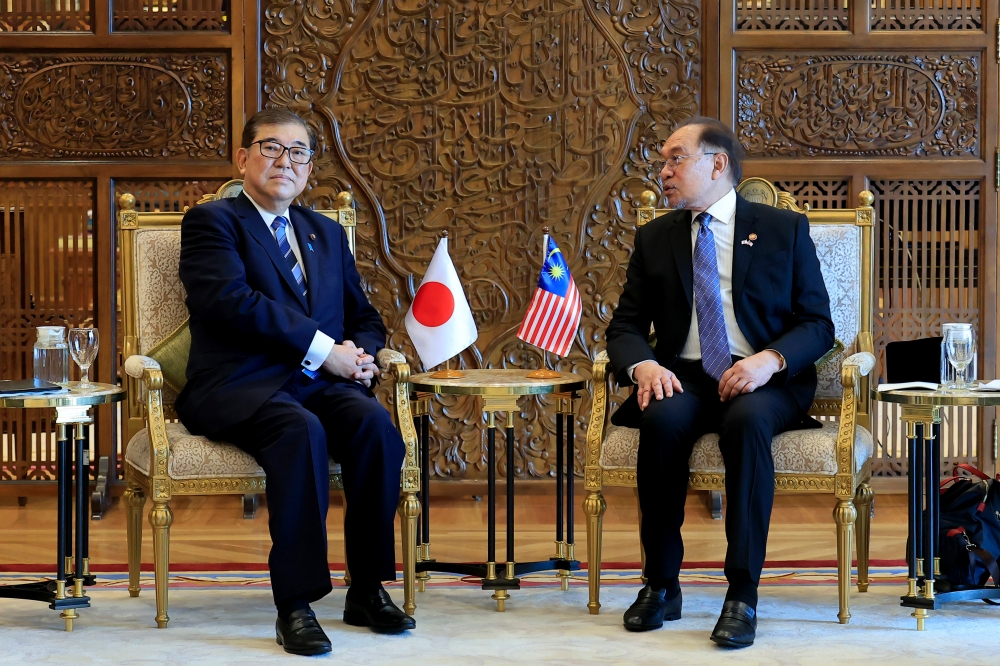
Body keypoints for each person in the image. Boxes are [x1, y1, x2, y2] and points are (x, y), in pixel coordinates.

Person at [176, 108, 414, 656]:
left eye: (299, 151)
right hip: (240, 383)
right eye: (270, 148)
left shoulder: (326, 233)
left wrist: (360, 355)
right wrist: (323, 350)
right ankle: (296, 604)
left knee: (375, 427)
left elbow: (365, 316)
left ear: (310, 166)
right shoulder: (213, 222)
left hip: (318, 383)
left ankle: (369, 588)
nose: (286, 161)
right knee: (298, 431)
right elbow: (231, 302)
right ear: (242, 158)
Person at [605, 116, 834, 648]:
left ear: (717, 164)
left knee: (748, 423)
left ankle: (742, 594)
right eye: (662, 161)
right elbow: (626, 325)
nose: (663, 171)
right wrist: (644, 366)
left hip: (764, 377)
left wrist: (770, 360)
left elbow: (818, 323)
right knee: (660, 420)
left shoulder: (782, 229)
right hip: (683, 375)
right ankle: (661, 585)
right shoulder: (655, 237)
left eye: (675, 159)